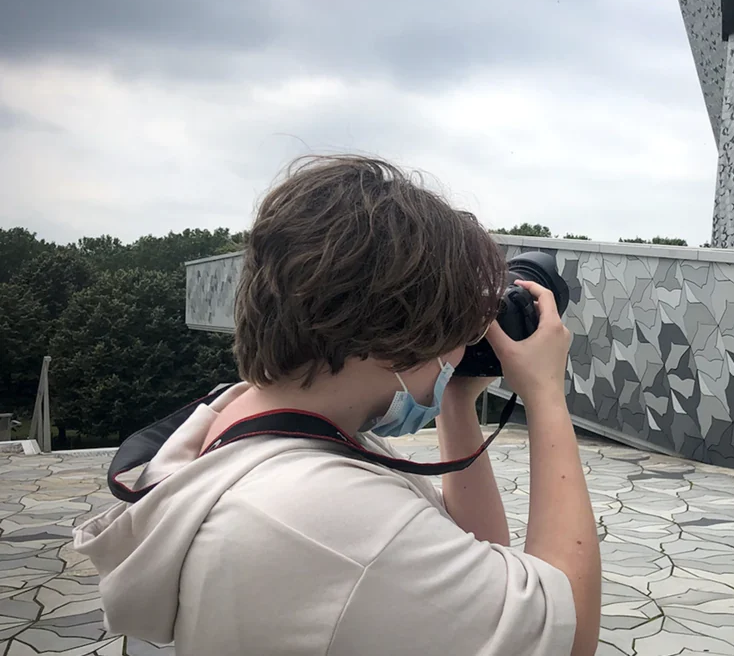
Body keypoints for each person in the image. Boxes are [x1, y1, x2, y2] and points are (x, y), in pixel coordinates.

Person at [74, 155, 602, 656]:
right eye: (456, 328)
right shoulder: (321, 514)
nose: (462, 344)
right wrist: (545, 395)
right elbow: (567, 633)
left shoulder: (253, 428)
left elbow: (476, 550)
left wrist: (456, 396)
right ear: (396, 339)